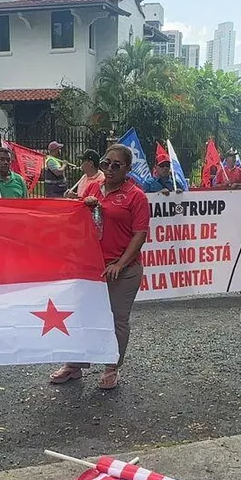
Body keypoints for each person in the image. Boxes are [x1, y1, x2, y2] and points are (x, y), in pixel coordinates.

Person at [49, 144, 149, 390]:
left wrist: (121, 263)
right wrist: (83, 204)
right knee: (80, 314)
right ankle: (74, 364)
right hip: (91, 266)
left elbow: (139, 235)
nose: (110, 169)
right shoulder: (94, 187)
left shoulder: (136, 196)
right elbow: (80, 220)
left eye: (117, 165)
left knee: (117, 319)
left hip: (122, 270)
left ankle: (111, 366)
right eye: (106, 163)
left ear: (128, 168)